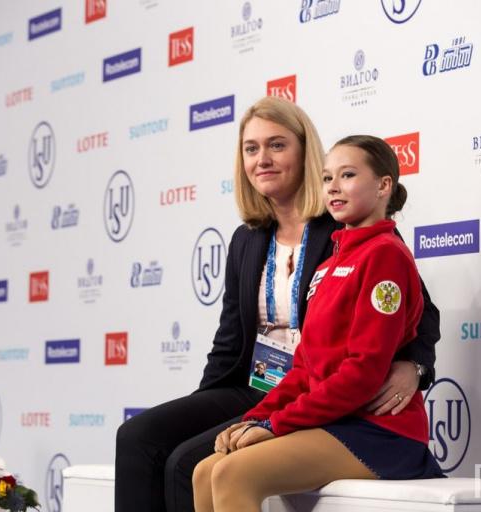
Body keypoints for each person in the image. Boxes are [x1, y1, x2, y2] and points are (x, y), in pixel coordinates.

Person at [114, 98, 440, 512]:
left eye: (277, 145)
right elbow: (230, 341)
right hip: (264, 385)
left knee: (189, 463)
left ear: (305, 154)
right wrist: (211, 414)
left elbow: (414, 314)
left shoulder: (349, 227)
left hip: (332, 398)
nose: (262, 159)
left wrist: (415, 366)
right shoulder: (248, 239)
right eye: (251, 149)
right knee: (138, 437)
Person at [192, 135, 443, 512]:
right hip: (334, 421)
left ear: (383, 186)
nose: (334, 187)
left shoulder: (385, 255)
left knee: (232, 473)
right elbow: (304, 369)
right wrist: (256, 417)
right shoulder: (327, 265)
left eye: (348, 175)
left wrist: (276, 425)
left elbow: (363, 373)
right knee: (204, 471)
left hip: (379, 432)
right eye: (327, 178)